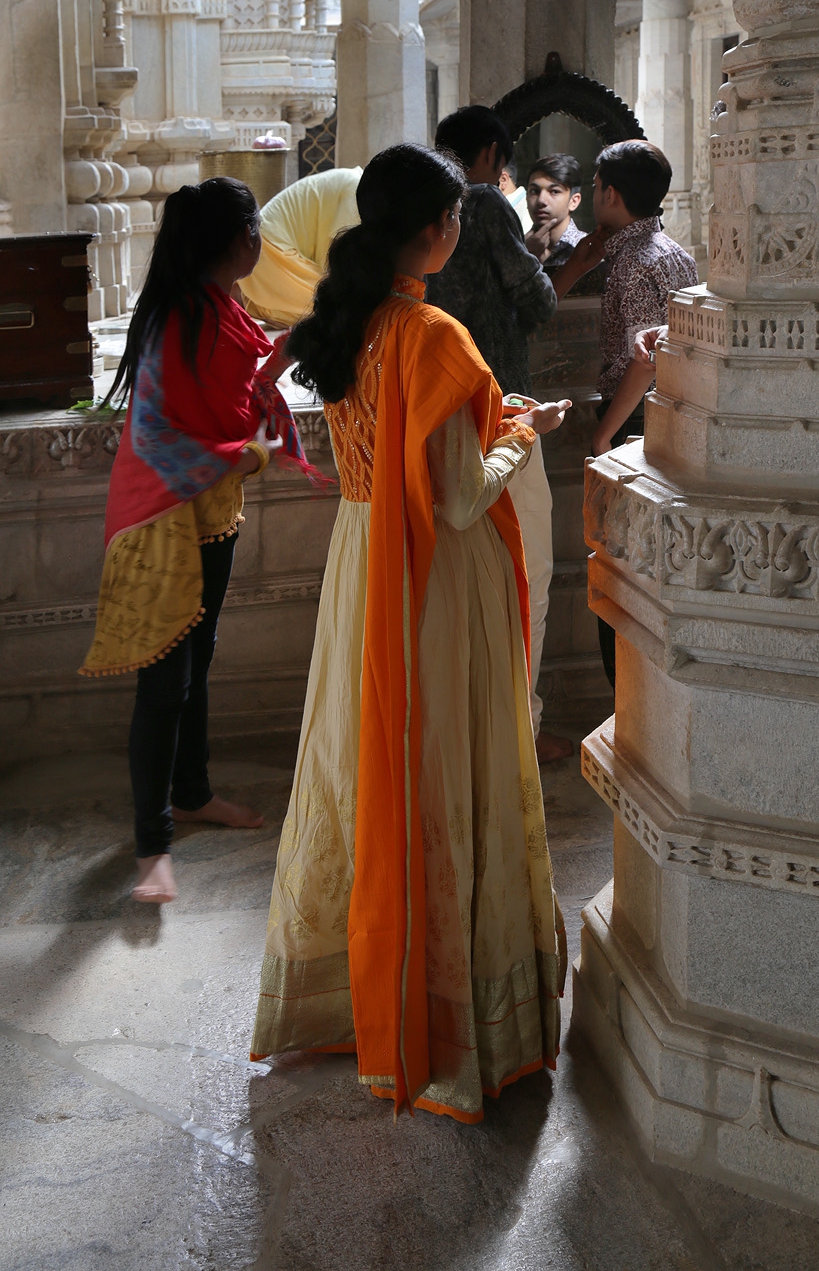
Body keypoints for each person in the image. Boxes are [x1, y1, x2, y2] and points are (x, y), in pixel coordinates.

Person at [251, 143, 571, 1124]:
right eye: (455, 221)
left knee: (363, 763)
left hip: (364, 559)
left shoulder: (348, 324)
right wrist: (528, 430)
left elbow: (399, 456)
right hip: (432, 578)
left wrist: (489, 425)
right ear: (434, 228)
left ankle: (353, 989)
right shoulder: (432, 334)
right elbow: (463, 495)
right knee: (442, 764)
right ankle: (445, 1005)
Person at [80, 178, 319, 903]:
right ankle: (153, 843)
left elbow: (236, 390)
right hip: (162, 514)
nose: (261, 244)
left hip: (208, 505)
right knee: (164, 680)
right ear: (240, 240)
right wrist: (251, 454)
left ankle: (192, 794)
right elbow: (159, 436)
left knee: (198, 657)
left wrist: (290, 354)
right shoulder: (181, 319)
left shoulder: (218, 308)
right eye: (256, 233)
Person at [428, 106, 575, 763]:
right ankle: (520, 728)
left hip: (431, 414)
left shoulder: (414, 200)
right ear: (491, 152)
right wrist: (537, 262)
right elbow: (538, 302)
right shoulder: (482, 202)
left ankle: (460, 725)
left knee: (458, 584)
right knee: (528, 573)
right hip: (500, 411)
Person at [551, 140, 697, 688]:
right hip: (674, 420)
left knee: (620, 571)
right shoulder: (674, 252)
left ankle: (628, 704)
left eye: (593, 186)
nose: (591, 195)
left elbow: (645, 361)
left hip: (633, 425)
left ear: (610, 194)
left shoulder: (635, 264)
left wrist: (605, 433)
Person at [238, 166, 363, 326]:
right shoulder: (355, 187)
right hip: (270, 247)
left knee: (338, 307)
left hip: (267, 247)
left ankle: (252, 300)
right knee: (339, 306)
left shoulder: (353, 181)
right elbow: (336, 253)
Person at [524, 154, 586, 271]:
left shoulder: (586, 250)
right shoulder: (517, 248)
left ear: (574, 201)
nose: (541, 200)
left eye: (554, 191)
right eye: (534, 191)